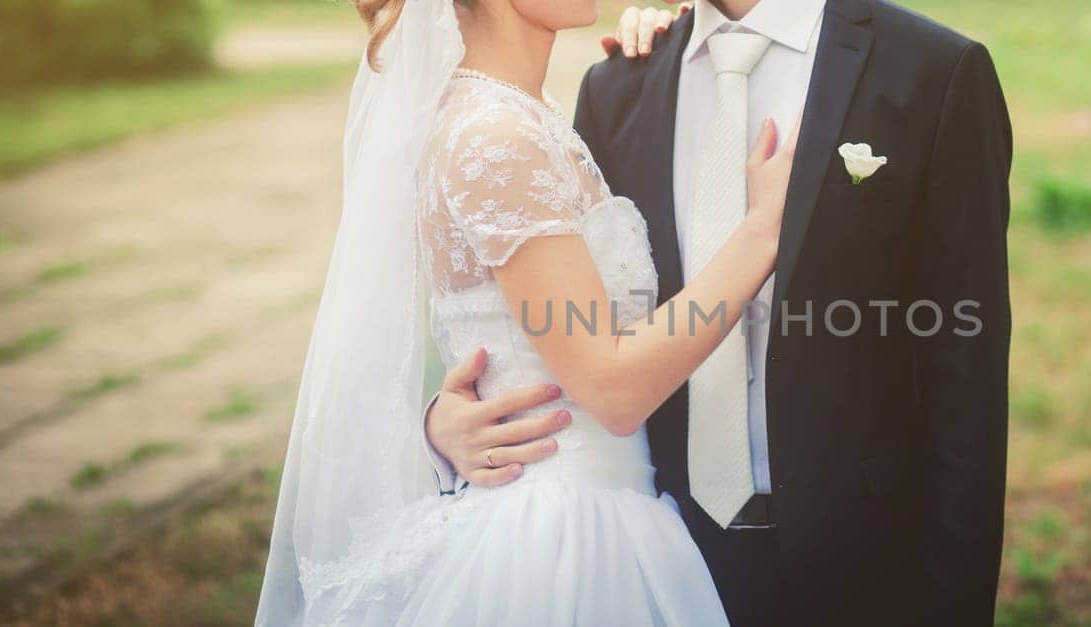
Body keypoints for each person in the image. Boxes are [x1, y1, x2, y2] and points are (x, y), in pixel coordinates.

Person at [424, 1, 1014, 625]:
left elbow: (967, 378)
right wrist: (444, 420)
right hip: (662, 553)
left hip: (864, 560)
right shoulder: (622, 82)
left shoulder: (933, 71)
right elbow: (557, 321)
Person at [257, 0, 797, 623]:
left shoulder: (521, 116)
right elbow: (612, 387)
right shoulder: (495, 137)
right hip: (565, 534)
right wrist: (761, 233)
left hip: (599, 501)